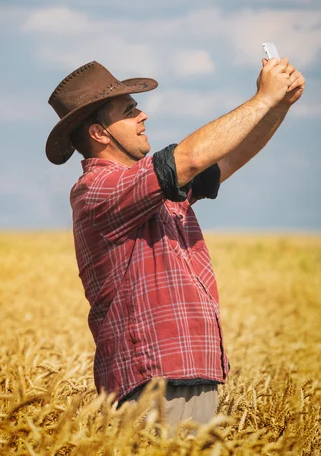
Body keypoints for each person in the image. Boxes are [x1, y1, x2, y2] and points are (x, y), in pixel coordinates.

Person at [45, 57, 305, 430]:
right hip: (154, 383)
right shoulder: (97, 190)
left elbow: (224, 159)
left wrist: (279, 106)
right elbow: (190, 158)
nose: (143, 115)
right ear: (100, 134)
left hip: (183, 374)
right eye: (129, 110)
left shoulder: (145, 190)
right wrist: (261, 99)